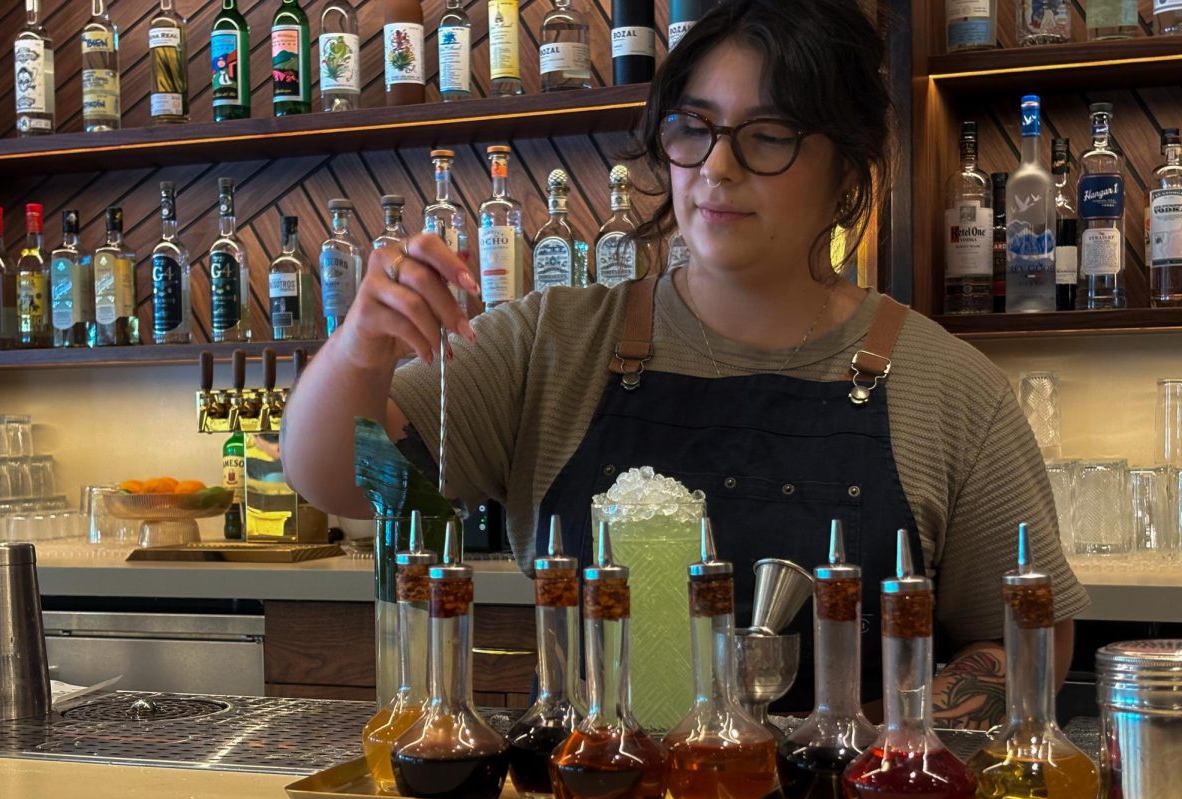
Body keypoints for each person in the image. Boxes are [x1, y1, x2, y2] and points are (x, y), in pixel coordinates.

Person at [282, 0, 1087, 730]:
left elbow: (1026, 639)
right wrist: (360, 350)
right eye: (693, 128)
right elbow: (345, 483)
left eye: (768, 136)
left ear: (848, 168)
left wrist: (864, 740)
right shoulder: (550, 341)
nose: (718, 167)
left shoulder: (948, 385)